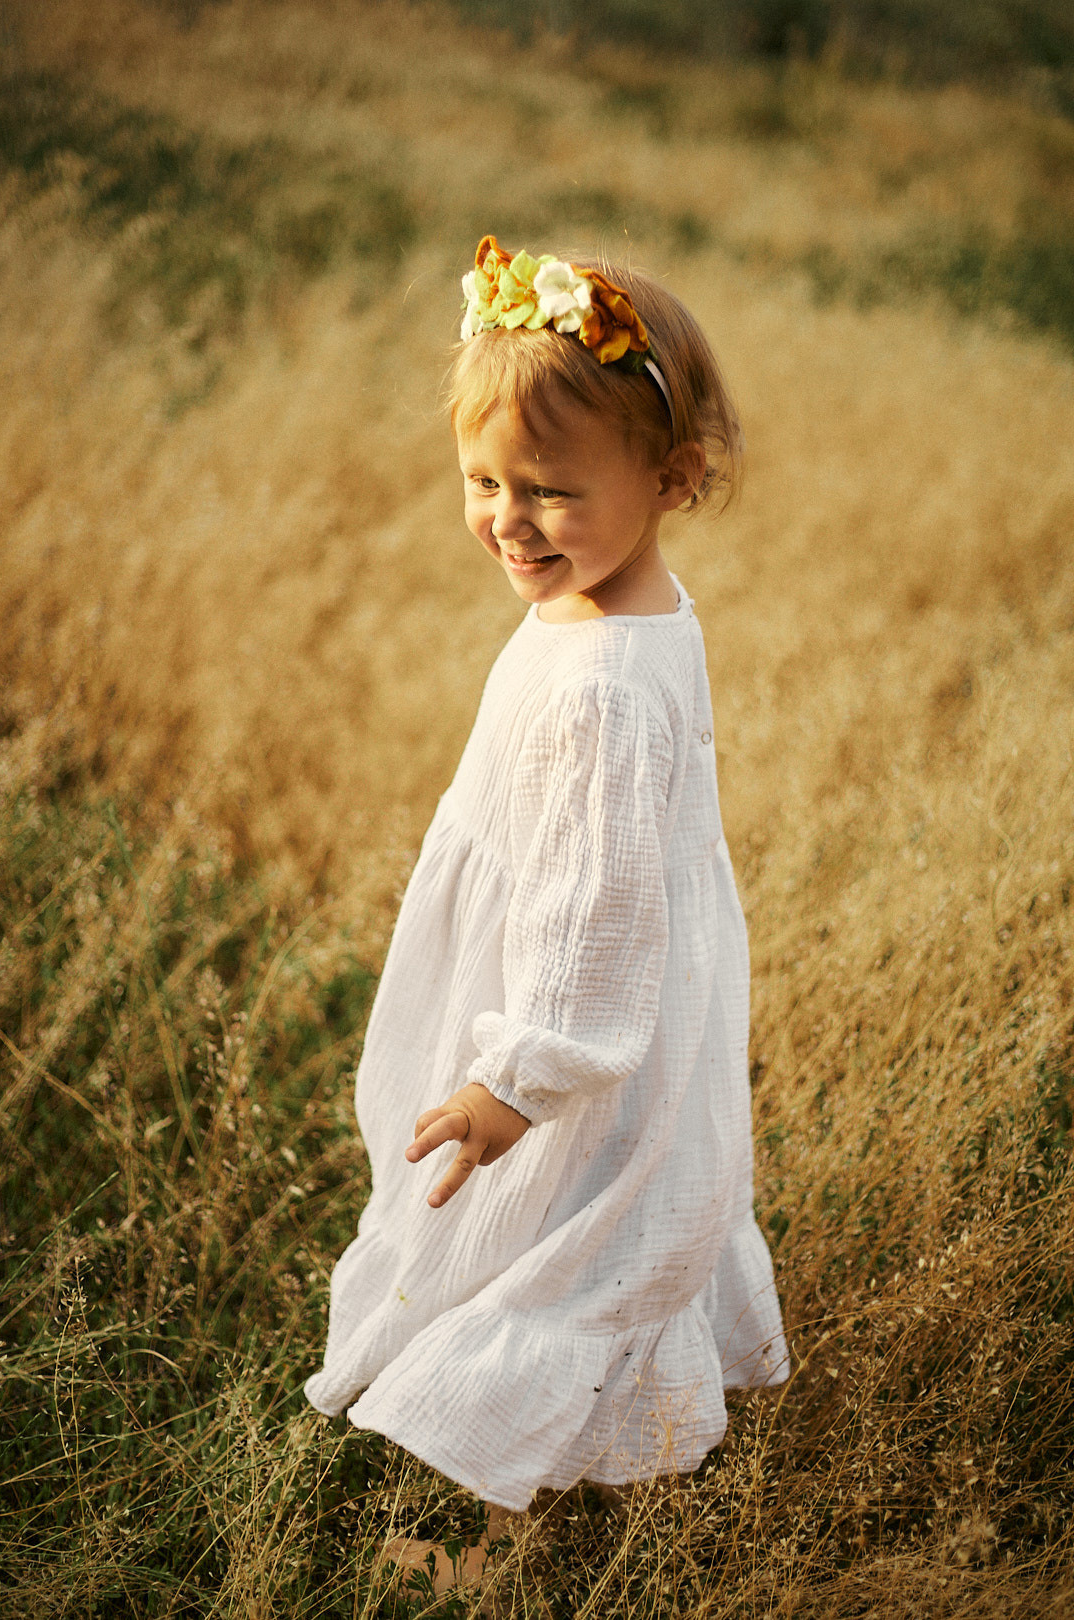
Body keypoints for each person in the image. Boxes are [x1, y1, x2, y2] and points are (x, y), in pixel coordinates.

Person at [304, 235, 788, 1592]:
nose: (508, 519)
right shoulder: (625, 605)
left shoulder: (599, 684)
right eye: (482, 482)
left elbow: (593, 912)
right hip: (619, 1001)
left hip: (579, 1030)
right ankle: (618, 1457)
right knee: (602, 1240)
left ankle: (482, 1545)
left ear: (673, 480)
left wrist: (520, 1081)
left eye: (551, 491)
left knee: (542, 1252)